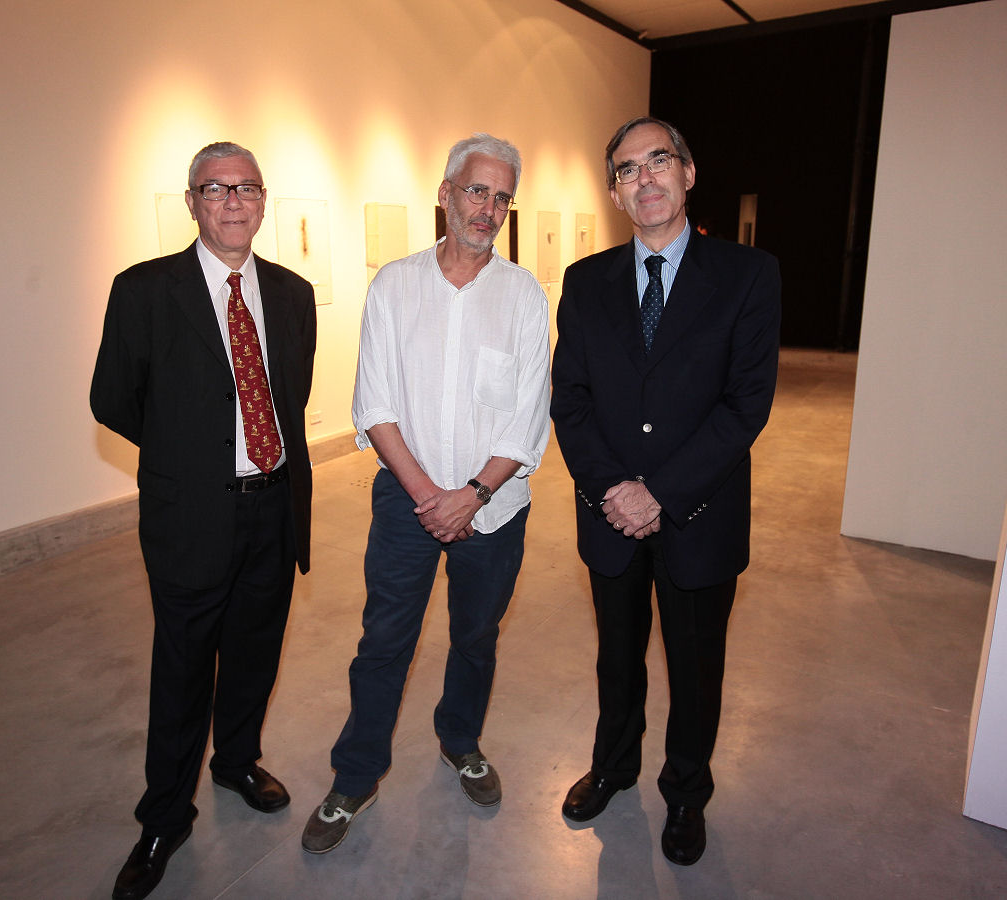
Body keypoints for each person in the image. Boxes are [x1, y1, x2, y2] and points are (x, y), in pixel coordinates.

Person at [300, 134, 550, 854]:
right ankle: (356, 776)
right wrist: (431, 498)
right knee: (384, 641)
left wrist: (472, 495)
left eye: (502, 197)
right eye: (476, 191)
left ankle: (460, 741)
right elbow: (375, 405)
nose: (488, 209)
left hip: (495, 508)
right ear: (444, 194)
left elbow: (529, 417)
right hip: (406, 504)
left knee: (475, 638)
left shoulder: (524, 297)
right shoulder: (395, 286)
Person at [550, 116, 780, 866]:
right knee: (616, 658)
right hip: (609, 515)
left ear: (688, 173)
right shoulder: (586, 281)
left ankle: (686, 792)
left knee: (695, 667)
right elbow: (570, 399)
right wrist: (613, 489)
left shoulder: (748, 275)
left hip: (699, 515)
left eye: (658, 161)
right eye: (627, 169)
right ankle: (613, 767)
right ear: (615, 193)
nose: (644, 178)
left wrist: (660, 492)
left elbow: (745, 405)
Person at [91, 141, 316, 900]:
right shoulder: (144, 290)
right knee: (183, 670)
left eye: (246, 187)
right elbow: (112, 400)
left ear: (263, 200)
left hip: (274, 508)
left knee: (255, 652)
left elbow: (290, 394)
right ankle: (164, 817)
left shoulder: (290, 293)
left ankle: (237, 762)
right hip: (191, 515)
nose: (232, 201)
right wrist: (187, 457)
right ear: (191, 201)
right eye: (215, 188)